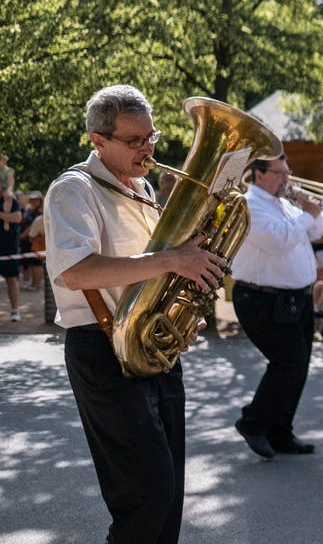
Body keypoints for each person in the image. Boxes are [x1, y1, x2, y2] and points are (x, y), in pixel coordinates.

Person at [44, 84, 227, 543]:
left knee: (170, 496)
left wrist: (183, 310)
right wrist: (173, 260)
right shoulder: (74, 189)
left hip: (151, 346)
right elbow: (76, 272)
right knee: (147, 494)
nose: (147, 148)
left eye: (151, 137)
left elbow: (148, 276)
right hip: (101, 349)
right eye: (134, 140)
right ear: (98, 141)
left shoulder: (143, 187)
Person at [229, 154, 323, 458]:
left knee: (298, 367)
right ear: (259, 174)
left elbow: (316, 231)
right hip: (263, 298)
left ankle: (281, 431)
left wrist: (314, 211)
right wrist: (307, 215)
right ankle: (253, 422)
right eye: (280, 173)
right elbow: (278, 240)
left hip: (295, 298)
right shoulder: (249, 204)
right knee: (288, 363)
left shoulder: (282, 203)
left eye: (288, 172)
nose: (287, 178)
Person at [1, 190, 21, 321]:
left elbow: (18, 217)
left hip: (8, 248)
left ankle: (15, 311)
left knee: (11, 280)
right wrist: (6, 217)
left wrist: (3, 216)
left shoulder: (10, 200)